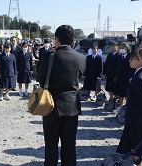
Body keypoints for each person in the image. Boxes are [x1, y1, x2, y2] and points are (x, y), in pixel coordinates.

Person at [38, 25, 86, 166]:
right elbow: (79, 76)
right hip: (72, 106)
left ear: (57, 39)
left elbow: (41, 80)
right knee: (69, 145)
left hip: (51, 106)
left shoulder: (49, 57)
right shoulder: (81, 58)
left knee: (51, 146)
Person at [117, 48, 142, 166]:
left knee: (137, 155)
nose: (130, 60)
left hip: (138, 123)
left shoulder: (139, 78)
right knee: (137, 153)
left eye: (133, 58)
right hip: (140, 121)